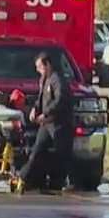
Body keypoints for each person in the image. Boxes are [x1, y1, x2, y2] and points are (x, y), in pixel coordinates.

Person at [16, 52, 74, 193]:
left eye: (40, 66)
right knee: (37, 150)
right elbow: (41, 99)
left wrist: (47, 114)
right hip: (46, 124)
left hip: (59, 123)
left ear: (48, 65)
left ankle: (58, 181)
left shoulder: (57, 80)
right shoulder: (44, 79)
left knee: (61, 153)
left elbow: (60, 100)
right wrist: (35, 109)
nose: (38, 70)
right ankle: (24, 177)